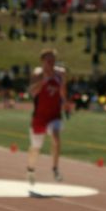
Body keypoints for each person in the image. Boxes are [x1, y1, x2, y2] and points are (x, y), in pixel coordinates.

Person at [27, 48, 68, 184]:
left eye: (53, 60)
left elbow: (62, 91)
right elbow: (32, 92)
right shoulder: (38, 74)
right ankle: (31, 169)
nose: (51, 63)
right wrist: (44, 80)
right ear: (42, 61)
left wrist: (66, 103)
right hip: (39, 117)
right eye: (48, 60)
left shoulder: (60, 74)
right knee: (35, 148)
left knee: (56, 137)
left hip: (54, 115)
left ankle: (55, 168)